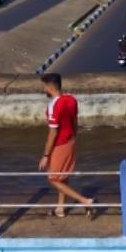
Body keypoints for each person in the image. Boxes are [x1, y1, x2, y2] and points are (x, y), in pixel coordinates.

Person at [38, 73, 95, 218]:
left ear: (50, 87)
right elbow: (75, 120)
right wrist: (74, 136)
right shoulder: (71, 99)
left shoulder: (53, 106)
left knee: (53, 179)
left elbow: (53, 133)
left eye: (44, 86)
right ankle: (60, 208)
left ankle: (84, 201)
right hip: (71, 141)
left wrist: (45, 155)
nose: (44, 89)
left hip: (60, 144)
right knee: (62, 176)